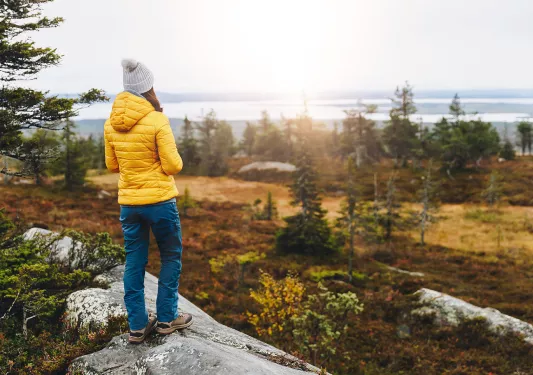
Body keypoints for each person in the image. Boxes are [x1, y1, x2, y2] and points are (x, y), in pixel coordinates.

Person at [104, 58, 193, 344]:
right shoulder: (157, 119)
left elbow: (111, 165)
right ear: (148, 87)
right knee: (170, 255)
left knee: (134, 261)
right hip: (160, 202)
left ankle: (137, 326)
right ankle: (167, 319)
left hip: (129, 204)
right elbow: (173, 166)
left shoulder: (110, 123)